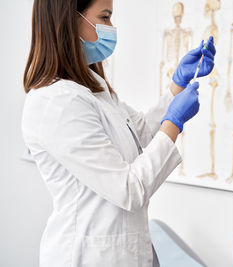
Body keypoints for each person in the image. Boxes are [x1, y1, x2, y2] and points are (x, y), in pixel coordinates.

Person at [21, 0, 216, 266]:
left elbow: (142, 132)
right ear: (70, 19)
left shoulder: (94, 88)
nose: (112, 27)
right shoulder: (56, 102)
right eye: (105, 17)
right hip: (86, 255)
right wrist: (174, 123)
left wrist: (177, 86)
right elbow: (129, 190)